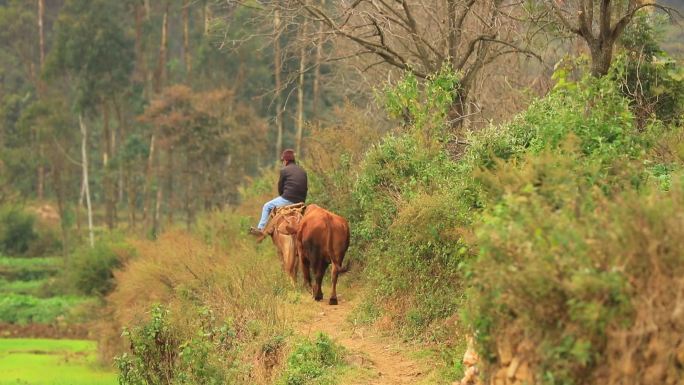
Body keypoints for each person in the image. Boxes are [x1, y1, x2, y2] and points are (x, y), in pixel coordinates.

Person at [249, 149, 307, 236]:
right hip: (301, 201)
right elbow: (305, 188)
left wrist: (283, 197)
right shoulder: (303, 171)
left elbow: (280, 188)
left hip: (288, 198)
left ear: (286, 160)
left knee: (267, 206)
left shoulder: (284, 170)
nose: (283, 162)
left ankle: (260, 229)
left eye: (283, 160)